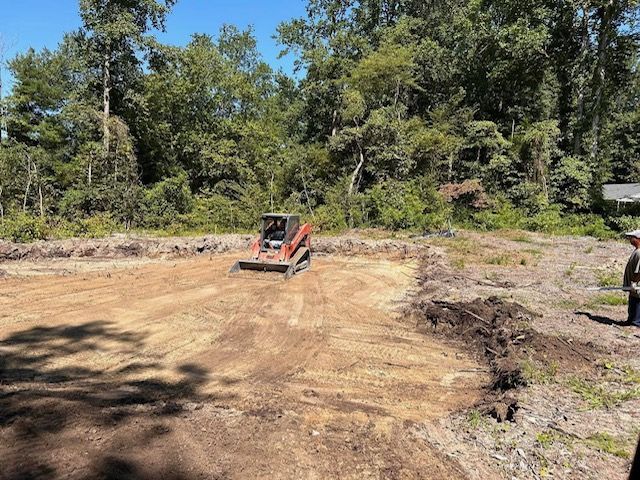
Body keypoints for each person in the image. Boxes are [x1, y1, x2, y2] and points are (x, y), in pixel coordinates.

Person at [623, 230, 640, 327]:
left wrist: (634, 282)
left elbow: (639, 272)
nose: (630, 239)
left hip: (637, 286)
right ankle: (631, 320)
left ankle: (636, 322)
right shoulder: (636, 251)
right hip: (633, 287)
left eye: (632, 237)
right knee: (633, 300)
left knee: (637, 301)